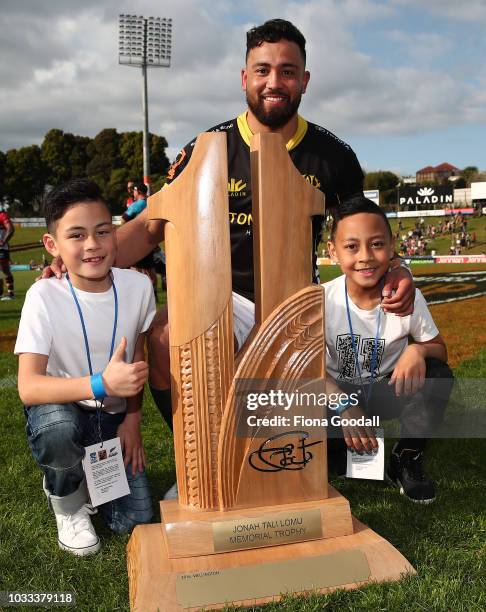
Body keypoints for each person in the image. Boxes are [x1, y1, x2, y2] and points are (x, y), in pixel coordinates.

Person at [45, 20, 415, 492]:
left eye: (287, 71)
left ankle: (305, 454)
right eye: (262, 70)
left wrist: (399, 268)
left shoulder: (334, 156)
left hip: (295, 300)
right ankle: (198, 462)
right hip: (226, 299)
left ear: (304, 80)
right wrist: (80, 254)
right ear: (244, 78)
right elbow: (150, 227)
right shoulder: (206, 148)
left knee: (328, 395)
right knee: (162, 335)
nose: (274, 82)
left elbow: (366, 230)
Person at [15, 179, 155, 556]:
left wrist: (131, 420)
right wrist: (100, 383)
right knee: (58, 427)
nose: (92, 245)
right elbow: (29, 387)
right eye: (76, 235)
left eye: (102, 231)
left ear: (114, 233)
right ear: (52, 245)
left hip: (109, 419)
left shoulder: (139, 287)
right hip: (62, 412)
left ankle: (90, 477)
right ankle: (67, 499)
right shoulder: (44, 295)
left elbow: (138, 359)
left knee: (136, 520)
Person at [324, 196, 453, 503]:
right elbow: (308, 371)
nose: (366, 256)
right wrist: (344, 406)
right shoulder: (321, 299)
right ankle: (350, 449)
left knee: (438, 375)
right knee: (339, 463)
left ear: (393, 246)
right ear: (333, 251)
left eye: (377, 244)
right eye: (352, 246)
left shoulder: (406, 296)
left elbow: (440, 350)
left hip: (386, 389)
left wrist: (418, 352)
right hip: (335, 395)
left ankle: (407, 456)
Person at [0, 207, 15, 300]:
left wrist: (3, 241)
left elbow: (11, 229)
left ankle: (11, 294)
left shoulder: (2, 215)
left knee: (5, 270)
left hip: (1, 249)